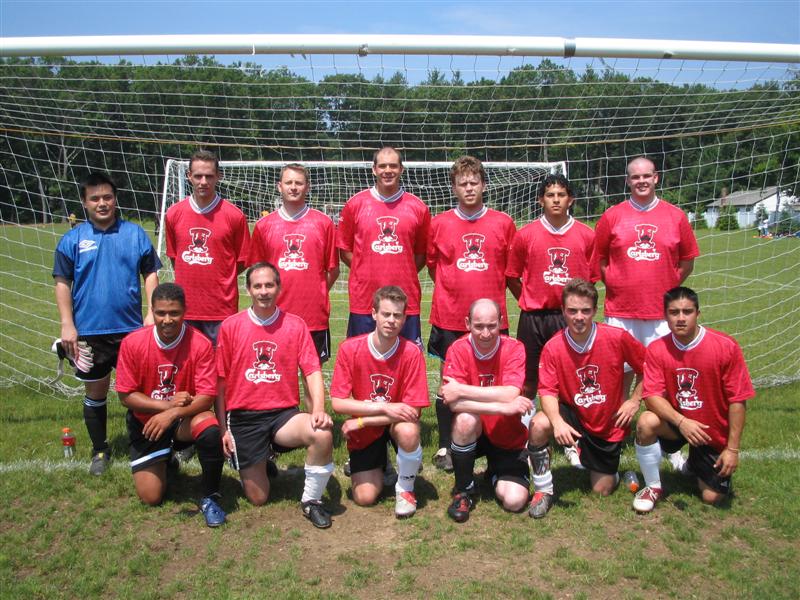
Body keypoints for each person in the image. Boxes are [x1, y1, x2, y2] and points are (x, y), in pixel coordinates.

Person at [592, 156, 700, 470]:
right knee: (619, 377)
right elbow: (599, 259)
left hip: (660, 315)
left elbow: (687, 260)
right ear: (628, 181)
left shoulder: (675, 216)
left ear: (656, 178)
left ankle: (670, 441)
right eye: (635, 177)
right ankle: (614, 436)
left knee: (665, 379)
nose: (641, 181)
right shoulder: (612, 216)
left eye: (646, 176)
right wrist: (616, 282)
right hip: (621, 312)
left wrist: (665, 286)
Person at [53, 172, 161, 476]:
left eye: (107, 197)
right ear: (85, 203)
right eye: (95, 198)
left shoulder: (134, 234)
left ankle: (148, 445)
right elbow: (62, 282)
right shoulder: (72, 239)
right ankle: (100, 450)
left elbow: (150, 273)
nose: (102, 203)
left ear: (115, 199)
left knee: (141, 392)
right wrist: (67, 324)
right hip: (89, 331)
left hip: (132, 330)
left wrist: (151, 313)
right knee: (96, 391)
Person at [215, 262, 335, 528]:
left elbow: (312, 371)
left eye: (269, 285)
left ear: (279, 288)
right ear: (248, 290)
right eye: (257, 286)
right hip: (244, 418)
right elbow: (220, 383)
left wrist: (318, 409)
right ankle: (259, 457)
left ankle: (311, 501)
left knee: (322, 433)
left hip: (283, 415)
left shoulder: (295, 325)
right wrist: (223, 429)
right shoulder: (231, 326)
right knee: (258, 498)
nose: (264, 291)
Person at [526, 278, 646, 518]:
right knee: (538, 424)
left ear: (595, 311)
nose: (578, 317)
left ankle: (613, 472)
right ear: (563, 311)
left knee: (602, 490)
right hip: (573, 415)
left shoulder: (617, 337)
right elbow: (547, 391)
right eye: (572, 311)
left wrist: (634, 400)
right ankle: (543, 490)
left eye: (585, 311)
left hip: (606, 422)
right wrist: (558, 423)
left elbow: (649, 367)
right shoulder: (553, 347)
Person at [427, 155, 516, 472]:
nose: (468, 188)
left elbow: (510, 269)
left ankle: (494, 443)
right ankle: (445, 445)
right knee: (448, 381)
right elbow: (434, 265)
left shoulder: (503, 223)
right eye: (462, 183)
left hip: (491, 321)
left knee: (493, 380)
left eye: (474, 182)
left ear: (484, 185)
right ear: (454, 188)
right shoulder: (439, 223)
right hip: (449, 315)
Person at [633, 286, 754, 513]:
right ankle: (653, 486)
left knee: (712, 497)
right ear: (665, 315)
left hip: (710, 432)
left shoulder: (725, 346)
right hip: (677, 423)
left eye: (687, 311)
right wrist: (682, 422)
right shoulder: (657, 349)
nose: (680, 318)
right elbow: (651, 397)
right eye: (674, 312)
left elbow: (738, 399)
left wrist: (732, 449)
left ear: (698, 313)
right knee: (646, 422)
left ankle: (693, 463)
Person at [115, 283, 226, 527]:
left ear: (185, 311)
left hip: (183, 419)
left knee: (209, 428)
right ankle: (166, 459)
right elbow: (125, 395)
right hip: (147, 423)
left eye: (174, 313)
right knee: (151, 497)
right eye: (161, 313)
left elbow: (207, 396)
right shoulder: (133, 343)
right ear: (152, 311)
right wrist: (166, 406)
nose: (167, 320)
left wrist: (173, 413)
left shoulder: (200, 344)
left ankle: (210, 497)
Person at [330, 286, 429, 518]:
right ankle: (384, 463)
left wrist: (362, 421)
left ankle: (405, 488)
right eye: (386, 314)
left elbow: (413, 411)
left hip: (392, 423)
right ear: (374, 313)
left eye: (397, 315)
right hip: (373, 425)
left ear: (404, 319)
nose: (391, 320)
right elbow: (338, 402)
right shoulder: (349, 349)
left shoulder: (412, 352)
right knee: (364, 497)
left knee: (408, 431)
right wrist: (385, 406)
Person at [441, 299, 534, 523]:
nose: (485, 333)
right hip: (476, 432)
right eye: (479, 326)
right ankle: (463, 490)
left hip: (507, 434)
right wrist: (503, 407)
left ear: (501, 322)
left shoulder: (515, 348)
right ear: (467, 323)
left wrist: (461, 390)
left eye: (492, 326)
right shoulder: (457, 349)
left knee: (514, 501)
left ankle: (494, 472)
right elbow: (454, 404)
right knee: (465, 420)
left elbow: (511, 392)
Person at [506, 174, 595, 400]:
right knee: (528, 379)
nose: (556, 200)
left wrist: (576, 305)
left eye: (561, 195)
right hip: (533, 318)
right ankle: (526, 421)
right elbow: (512, 276)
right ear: (540, 200)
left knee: (570, 375)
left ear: (570, 200)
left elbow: (591, 280)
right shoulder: (525, 235)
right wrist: (529, 298)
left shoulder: (587, 235)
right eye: (550, 195)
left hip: (569, 317)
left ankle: (569, 419)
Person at [336, 146, 430, 348]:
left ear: (401, 169)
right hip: (364, 299)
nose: (388, 170)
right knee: (361, 358)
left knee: (406, 359)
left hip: (405, 300)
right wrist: (366, 269)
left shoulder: (418, 208)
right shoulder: (355, 205)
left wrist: (400, 270)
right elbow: (344, 250)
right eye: (383, 166)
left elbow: (421, 254)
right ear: (374, 169)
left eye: (393, 166)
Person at [249, 163, 339, 363]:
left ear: (307, 187)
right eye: (288, 182)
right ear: (279, 186)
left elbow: (333, 270)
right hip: (274, 315)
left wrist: (315, 291)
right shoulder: (264, 226)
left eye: (298, 183)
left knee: (312, 374)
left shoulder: (323, 223)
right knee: (276, 371)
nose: (293, 187)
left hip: (313, 317)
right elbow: (256, 273)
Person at [165, 150, 250, 345]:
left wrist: (221, 273)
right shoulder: (174, 214)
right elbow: (175, 258)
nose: (203, 182)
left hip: (221, 310)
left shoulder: (234, 216)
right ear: (189, 176)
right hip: (184, 309)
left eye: (209, 176)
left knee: (220, 363)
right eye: (198, 176)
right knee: (186, 362)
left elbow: (243, 260)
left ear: (218, 176)